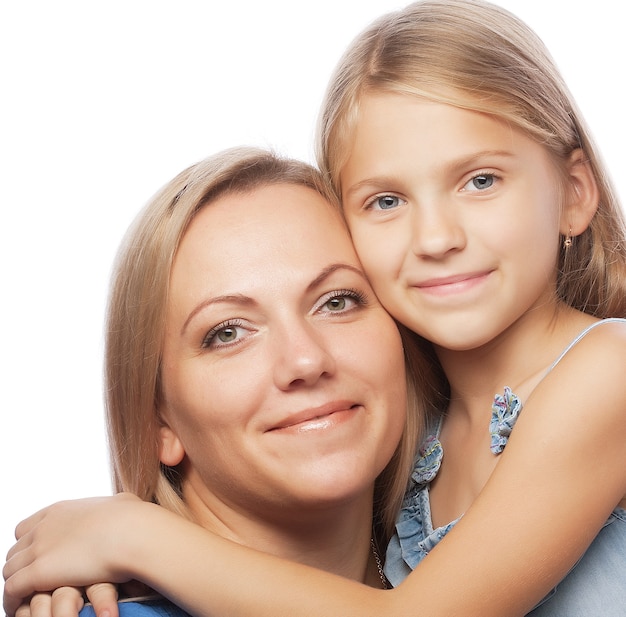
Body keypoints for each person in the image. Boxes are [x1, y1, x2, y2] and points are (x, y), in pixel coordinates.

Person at [4, 0, 626, 615]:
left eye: (481, 181)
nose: (437, 238)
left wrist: (134, 537)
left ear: (574, 194)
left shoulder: (608, 369)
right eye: (385, 201)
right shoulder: (412, 446)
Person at [3, 146, 436, 617]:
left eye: (336, 301)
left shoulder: (472, 566)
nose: (306, 360)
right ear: (157, 423)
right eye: (227, 333)